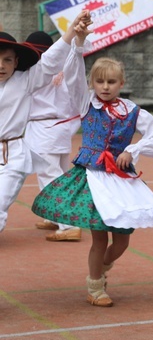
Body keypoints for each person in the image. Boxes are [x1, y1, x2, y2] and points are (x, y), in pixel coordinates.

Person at [31, 36, 153, 306]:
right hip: (92, 177)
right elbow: (72, 76)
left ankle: (103, 268)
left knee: (122, 241)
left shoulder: (132, 111)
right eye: (100, 81)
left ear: (122, 83)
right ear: (92, 83)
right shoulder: (85, 103)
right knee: (99, 237)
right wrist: (79, 44)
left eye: (111, 82)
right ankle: (95, 286)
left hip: (121, 179)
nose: (105, 87)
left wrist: (133, 150)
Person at [0, 10, 87, 236]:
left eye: (7, 60)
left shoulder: (25, 80)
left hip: (15, 153)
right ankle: (56, 217)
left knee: (2, 202)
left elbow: (50, 61)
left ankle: (68, 223)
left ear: (16, 61)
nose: (1, 65)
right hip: (51, 131)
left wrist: (71, 32)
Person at [24, 31, 83, 242]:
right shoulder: (64, 68)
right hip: (61, 127)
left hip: (43, 128)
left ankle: (69, 224)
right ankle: (56, 217)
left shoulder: (34, 71)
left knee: (50, 177)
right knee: (60, 175)